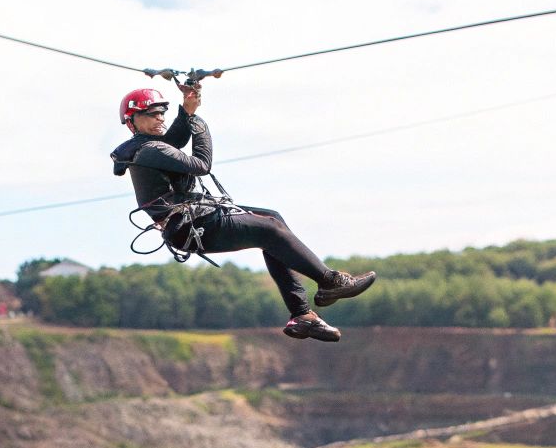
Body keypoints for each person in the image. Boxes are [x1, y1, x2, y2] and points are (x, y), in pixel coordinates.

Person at [110, 84, 375, 341]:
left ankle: (302, 315)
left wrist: (187, 112)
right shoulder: (149, 150)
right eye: (151, 113)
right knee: (269, 230)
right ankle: (330, 281)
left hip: (195, 219)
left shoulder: (148, 147)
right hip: (192, 226)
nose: (159, 118)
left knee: (273, 218)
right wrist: (199, 124)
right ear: (132, 121)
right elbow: (201, 165)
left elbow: (174, 140)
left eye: (161, 113)